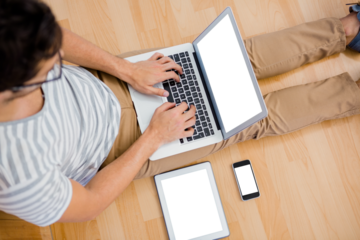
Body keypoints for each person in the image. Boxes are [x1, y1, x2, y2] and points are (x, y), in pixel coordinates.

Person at [1, 0, 360, 227]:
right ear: (13, 87)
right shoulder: (17, 176)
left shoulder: (12, 39)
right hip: (119, 147)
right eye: (51, 68)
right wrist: (154, 137)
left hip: (106, 78)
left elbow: (52, 39)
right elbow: (88, 204)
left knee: (229, 63)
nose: (58, 58)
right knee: (245, 121)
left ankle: (350, 30)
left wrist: (126, 69)